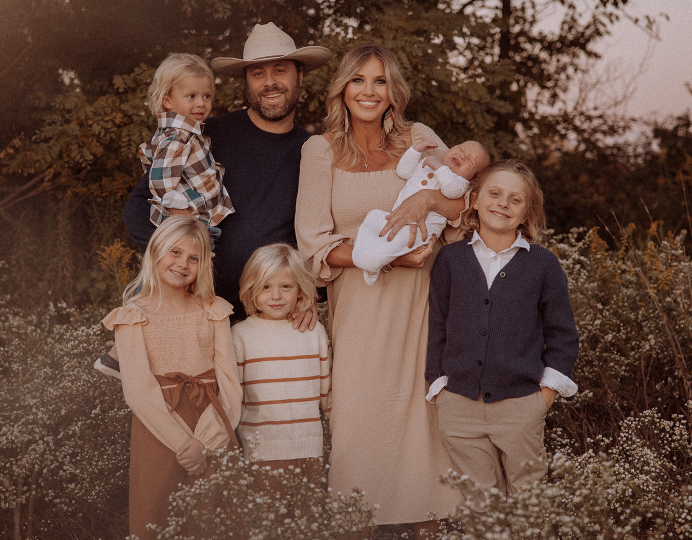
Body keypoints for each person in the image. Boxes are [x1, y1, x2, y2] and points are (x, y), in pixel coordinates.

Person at [295, 43, 465, 537]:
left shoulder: (421, 138)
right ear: (342, 89)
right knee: (356, 439)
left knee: (424, 440)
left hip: (420, 311)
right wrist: (386, 257)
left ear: (394, 91)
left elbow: (464, 206)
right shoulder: (319, 149)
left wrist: (430, 198)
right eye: (358, 80)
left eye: (380, 81)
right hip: (358, 314)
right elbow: (313, 242)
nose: (369, 91)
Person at [123, 22, 331, 324]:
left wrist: (310, 294)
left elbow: (316, 238)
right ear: (247, 81)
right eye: (258, 73)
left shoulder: (313, 153)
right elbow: (138, 209)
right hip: (190, 309)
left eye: (280, 70)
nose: (270, 82)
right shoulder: (205, 136)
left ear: (299, 75)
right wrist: (177, 266)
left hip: (265, 317)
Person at [425, 160, 580, 498]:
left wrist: (545, 396)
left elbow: (562, 333)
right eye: (494, 194)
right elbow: (437, 324)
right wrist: (439, 386)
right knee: (482, 505)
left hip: (521, 405)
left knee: (529, 500)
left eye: (515, 200)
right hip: (459, 406)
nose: (503, 204)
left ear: (526, 214)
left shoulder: (543, 264)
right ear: (476, 200)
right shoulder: (451, 259)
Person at [101, 216, 242, 540]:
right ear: (155, 252)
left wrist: (204, 444)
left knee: (213, 518)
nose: (183, 263)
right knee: (156, 515)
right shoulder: (133, 316)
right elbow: (139, 392)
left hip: (212, 423)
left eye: (194, 258)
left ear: (203, 265)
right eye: (175, 253)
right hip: (160, 430)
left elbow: (231, 385)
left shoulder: (213, 309)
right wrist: (185, 446)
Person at [233, 243, 330, 479]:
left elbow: (327, 395)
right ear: (251, 290)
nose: (275, 296)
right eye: (265, 287)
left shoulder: (313, 331)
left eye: (285, 286)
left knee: (306, 514)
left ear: (299, 289)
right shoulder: (240, 335)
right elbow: (233, 397)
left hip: (310, 450)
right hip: (260, 453)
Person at [352, 138, 490, 285]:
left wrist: (438, 167)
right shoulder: (427, 164)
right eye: (460, 149)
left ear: (474, 179)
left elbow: (452, 191)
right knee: (374, 216)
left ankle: (372, 265)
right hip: (396, 218)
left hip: (420, 230)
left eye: (470, 161)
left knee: (399, 239)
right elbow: (403, 171)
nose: (462, 156)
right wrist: (415, 150)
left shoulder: (460, 183)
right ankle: (365, 255)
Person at [141, 53, 233, 245]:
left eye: (206, 96)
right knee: (194, 266)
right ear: (167, 101)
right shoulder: (179, 135)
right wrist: (182, 214)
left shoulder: (188, 132)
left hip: (195, 220)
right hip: (187, 221)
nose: (201, 103)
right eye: (191, 96)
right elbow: (160, 180)